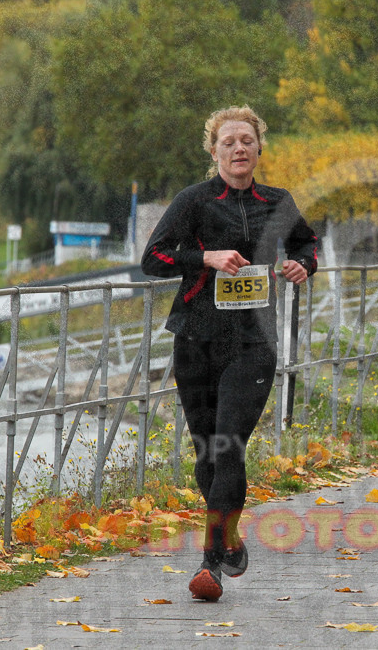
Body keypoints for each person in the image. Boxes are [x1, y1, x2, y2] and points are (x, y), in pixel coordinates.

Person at [141, 106, 319, 602]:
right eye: (228, 142)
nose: (239, 148)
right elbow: (152, 259)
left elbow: (307, 244)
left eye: (247, 140)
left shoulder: (278, 201)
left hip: (252, 343)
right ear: (214, 151)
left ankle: (208, 564)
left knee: (229, 444)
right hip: (196, 339)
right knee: (206, 453)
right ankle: (231, 533)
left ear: (260, 149)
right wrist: (205, 257)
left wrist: (302, 266)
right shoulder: (193, 202)